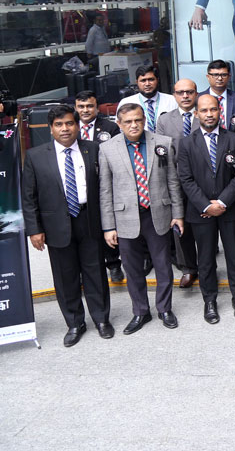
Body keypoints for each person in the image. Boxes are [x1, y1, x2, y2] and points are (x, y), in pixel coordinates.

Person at [22, 105, 111, 346]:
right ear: (50, 129)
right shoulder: (35, 156)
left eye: (69, 123)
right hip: (55, 225)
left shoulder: (93, 149)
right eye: (59, 125)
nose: (65, 129)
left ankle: (101, 319)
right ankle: (74, 323)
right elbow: (29, 197)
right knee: (65, 277)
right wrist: (34, 230)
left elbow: (104, 186)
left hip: (89, 219)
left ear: (77, 126)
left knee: (95, 272)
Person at [98, 103, 183, 335]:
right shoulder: (107, 149)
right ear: (119, 124)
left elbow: (173, 181)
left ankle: (164, 309)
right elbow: (105, 190)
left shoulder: (162, 143)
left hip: (158, 214)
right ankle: (140, 311)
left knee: (163, 265)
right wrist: (108, 226)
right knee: (133, 269)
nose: (134, 125)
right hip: (125, 218)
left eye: (138, 120)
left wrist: (178, 214)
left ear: (144, 120)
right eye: (128, 121)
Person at [177, 94, 235, 324]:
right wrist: (206, 205)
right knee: (206, 259)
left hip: (229, 210)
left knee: (234, 256)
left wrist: (222, 203)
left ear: (220, 111)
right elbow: (185, 179)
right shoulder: (186, 143)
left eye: (213, 109)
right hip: (200, 212)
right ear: (196, 113)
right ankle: (209, 300)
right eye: (204, 110)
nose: (209, 114)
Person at [72, 90, 123, 284]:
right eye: (81, 106)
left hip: (105, 183)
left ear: (97, 108)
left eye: (89, 106)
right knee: (83, 229)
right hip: (79, 185)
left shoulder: (110, 127)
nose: (85, 110)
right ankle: (83, 268)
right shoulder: (70, 127)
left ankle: (114, 264)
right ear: (76, 108)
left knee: (107, 224)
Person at [154, 79, 200, 289]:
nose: (185, 96)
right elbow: (161, 153)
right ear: (174, 95)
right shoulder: (165, 120)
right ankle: (188, 268)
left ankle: (207, 262)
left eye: (189, 92)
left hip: (203, 179)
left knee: (206, 225)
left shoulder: (205, 113)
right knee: (180, 224)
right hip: (176, 180)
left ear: (196, 93)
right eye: (180, 92)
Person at [119, 64, 178, 133]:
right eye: (143, 80)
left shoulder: (172, 100)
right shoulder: (126, 102)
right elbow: (121, 129)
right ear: (137, 82)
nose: (147, 84)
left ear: (157, 80)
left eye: (151, 79)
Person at [201, 59, 235, 135]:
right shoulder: (199, 99)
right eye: (215, 75)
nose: (220, 78)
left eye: (224, 75)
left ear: (229, 76)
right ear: (208, 77)